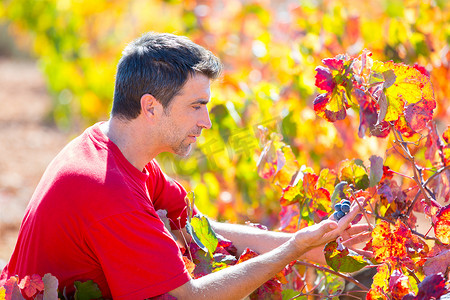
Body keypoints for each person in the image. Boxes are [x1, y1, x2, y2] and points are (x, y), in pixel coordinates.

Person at [0, 32, 369, 299]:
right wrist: (290, 252)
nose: (206, 122)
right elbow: (187, 297)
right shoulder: (107, 191)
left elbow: (194, 227)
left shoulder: (116, 147)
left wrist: (307, 244)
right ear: (150, 107)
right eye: (196, 106)